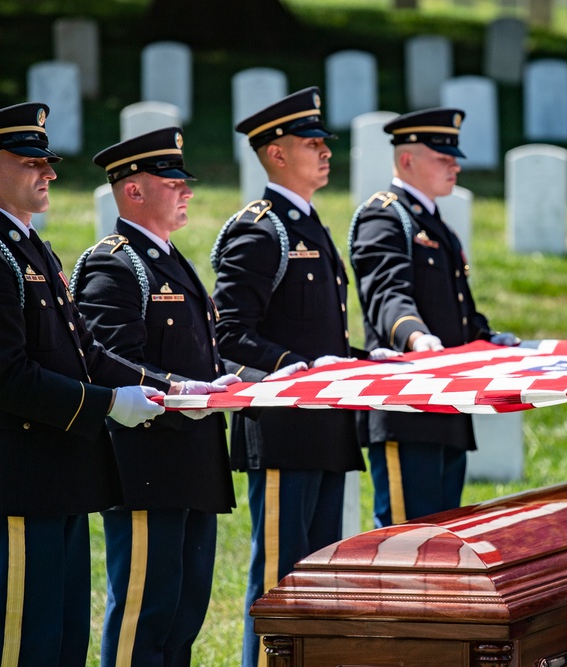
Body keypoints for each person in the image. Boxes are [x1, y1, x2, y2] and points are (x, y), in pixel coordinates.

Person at [0, 103, 174, 667]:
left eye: (47, 161)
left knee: (65, 642)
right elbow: (5, 377)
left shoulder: (30, 247)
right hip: (19, 478)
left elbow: (84, 353)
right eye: (32, 162)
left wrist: (179, 389)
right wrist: (110, 404)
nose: (49, 173)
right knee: (25, 644)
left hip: (58, 472)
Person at [210, 87, 370, 667]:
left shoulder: (307, 224)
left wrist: (361, 359)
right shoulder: (261, 230)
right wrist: (298, 369)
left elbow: (317, 337)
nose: (326, 152)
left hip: (325, 427)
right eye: (311, 143)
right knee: (281, 578)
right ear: (276, 154)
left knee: (322, 577)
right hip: (282, 430)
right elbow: (228, 334)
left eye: (324, 142)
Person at [70, 128, 238, 667]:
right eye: (172, 183)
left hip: (192, 462)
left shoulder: (171, 260)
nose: (186, 191)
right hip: (147, 465)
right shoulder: (113, 263)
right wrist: (180, 388)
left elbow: (197, 355)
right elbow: (108, 359)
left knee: (185, 614)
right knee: (145, 614)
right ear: (134, 192)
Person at [347, 107, 518, 529]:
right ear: (408, 161)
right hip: (407, 402)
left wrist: (487, 337)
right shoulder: (383, 215)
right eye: (443, 158)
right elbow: (386, 293)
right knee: (409, 544)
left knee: (443, 541)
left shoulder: (433, 222)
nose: (455, 164)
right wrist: (416, 337)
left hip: (446, 402)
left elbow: (456, 308)